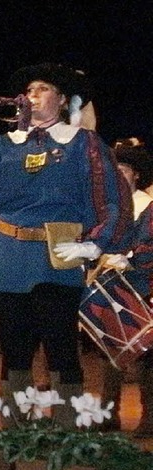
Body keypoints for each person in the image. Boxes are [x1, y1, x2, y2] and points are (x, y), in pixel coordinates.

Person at [0, 62, 133, 427]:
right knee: (15, 350)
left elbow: (112, 196)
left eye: (42, 89)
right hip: (8, 256)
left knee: (60, 348)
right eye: (29, 90)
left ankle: (65, 433)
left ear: (61, 100)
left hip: (57, 256)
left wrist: (95, 244)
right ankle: (15, 433)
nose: (33, 95)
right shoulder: (0, 144)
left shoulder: (82, 143)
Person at [101, 139, 153, 435]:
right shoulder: (107, 208)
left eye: (124, 170)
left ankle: (149, 417)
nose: (119, 176)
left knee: (146, 354)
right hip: (110, 286)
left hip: (141, 287)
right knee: (110, 353)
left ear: (136, 174)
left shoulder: (148, 207)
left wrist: (129, 260)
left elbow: (148, 248)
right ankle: (109, 414)